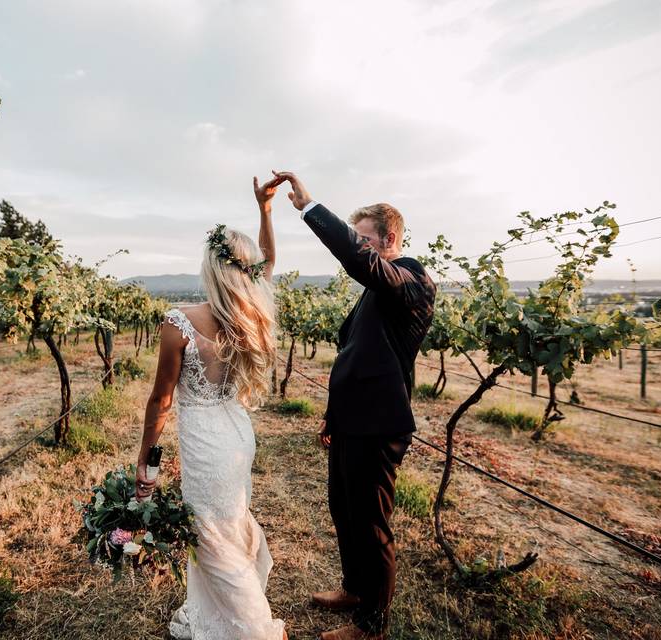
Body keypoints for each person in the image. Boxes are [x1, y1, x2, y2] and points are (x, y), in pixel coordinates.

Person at [272, 170, 436, 640]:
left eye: (365, 240)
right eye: (357, 239)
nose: (359, 247)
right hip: (351, 420)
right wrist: (333, 415)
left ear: (388, 240)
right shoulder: (377, 290)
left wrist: (310, 208)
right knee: (344, 510)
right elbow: (355, 356)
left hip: (380, 425)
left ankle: (371, 626)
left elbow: (362, 263)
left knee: (371, 523)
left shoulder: (413, 281)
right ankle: (354, 590)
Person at [134, 175, 287, 640]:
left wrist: (146, 458)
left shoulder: (180, 322)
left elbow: (161, 399)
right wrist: (265, 211)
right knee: (227, 524)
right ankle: (216, 619)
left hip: (205, 444)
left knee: (210, 536)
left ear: (211, 268)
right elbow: (269, 262)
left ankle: (259, 631)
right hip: (238, 435)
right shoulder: (248, 315)